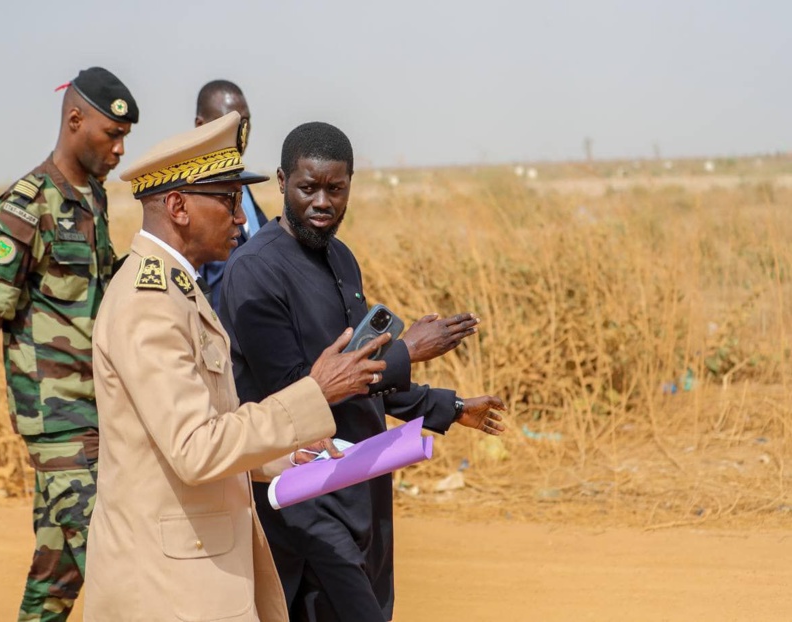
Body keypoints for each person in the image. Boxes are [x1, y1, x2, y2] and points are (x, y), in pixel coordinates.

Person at [84, 111, 390, 622]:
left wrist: (283, 457)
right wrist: (315, 393)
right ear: (178, 206)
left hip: (190, 568)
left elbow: (203, 431)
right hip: (166, 585)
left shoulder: (177, 290)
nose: (242, 218)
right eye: (227, 200)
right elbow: (195, 449)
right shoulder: (149, 304)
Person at [219, 122, 506, 622]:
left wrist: (453, 407)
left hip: (362, 486)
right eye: (308, 188)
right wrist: (407, 351)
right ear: (282, 181)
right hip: (303, 492)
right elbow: (296, 391)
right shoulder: (256, 269)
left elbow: (369, 379)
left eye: (335, 188)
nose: (322, 202)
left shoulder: (341, 258)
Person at [0, 66, 138, 621]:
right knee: (119, 567)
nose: (120, 148)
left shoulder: (93, 197)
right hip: (58, 422)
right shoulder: (26, 205)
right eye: (112, 134)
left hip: (99, 411)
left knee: (56, 580)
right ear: (75, 120)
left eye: (125, 137)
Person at [194, 79, 268, 311]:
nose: (242, 133)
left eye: (246, 122)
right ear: (201, 125)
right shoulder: (193, 194)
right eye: (233, 123)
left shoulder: (242, 185)